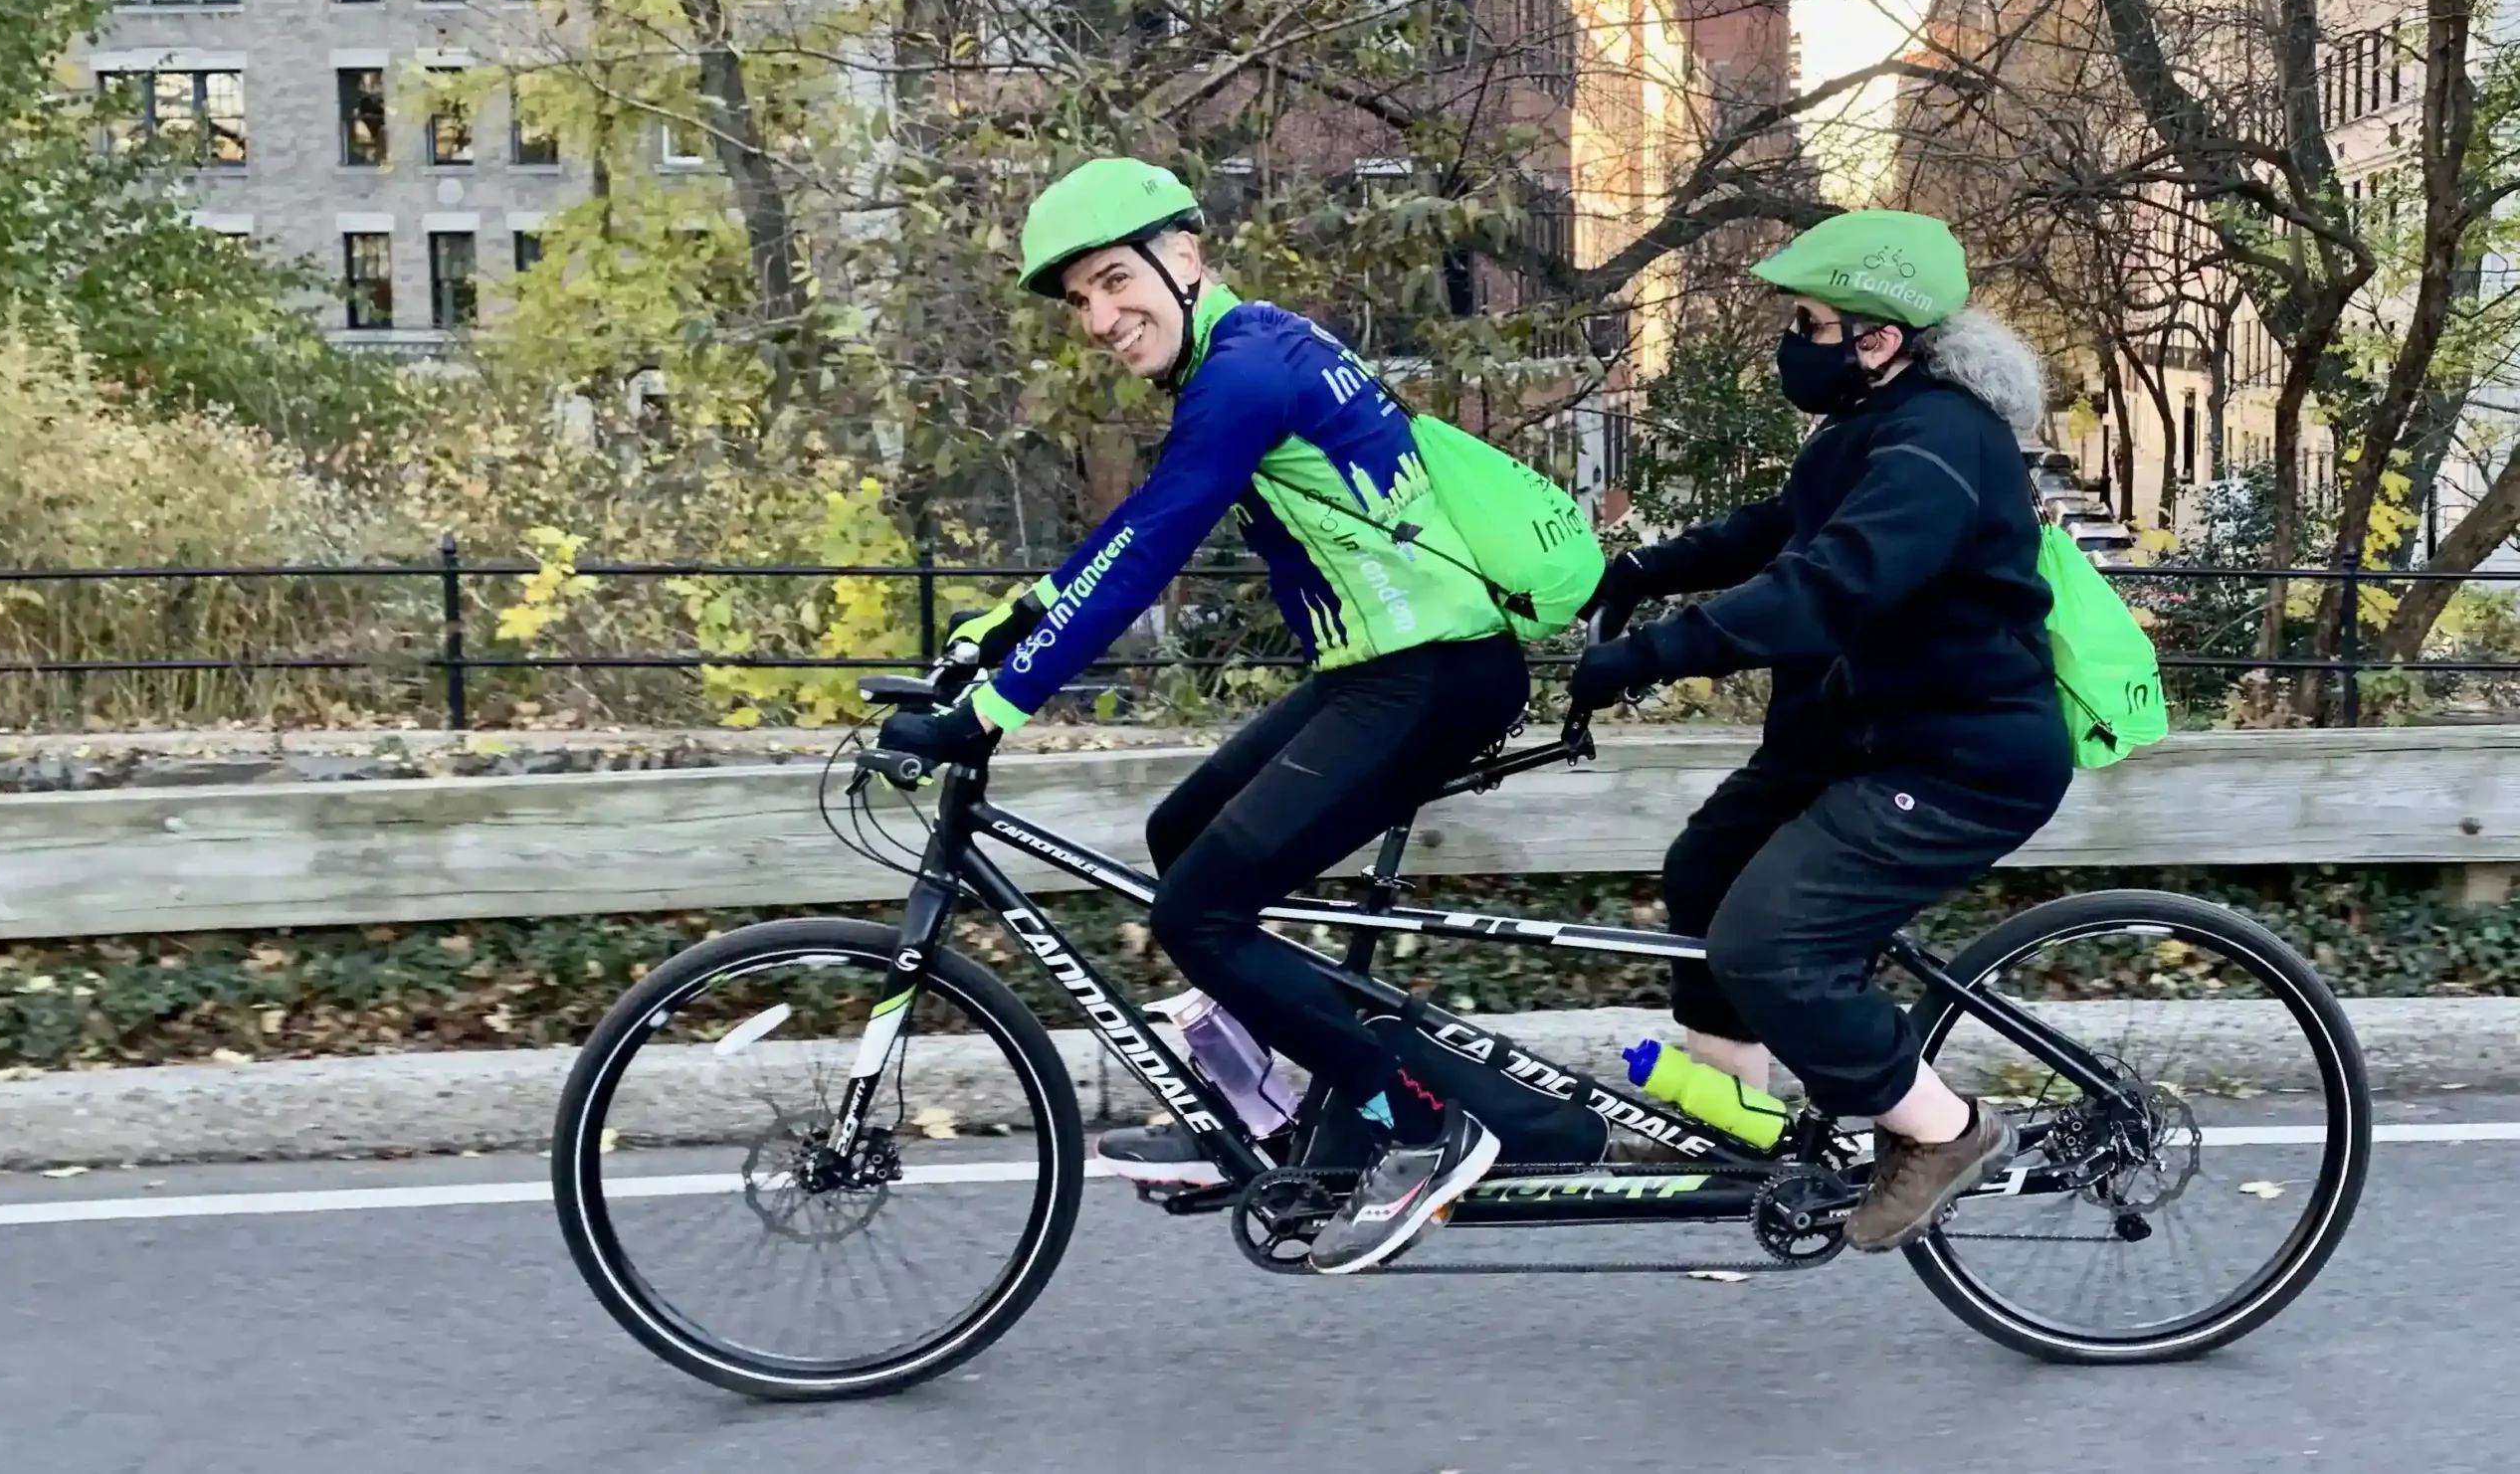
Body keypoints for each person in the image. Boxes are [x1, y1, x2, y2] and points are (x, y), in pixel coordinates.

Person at [875, 155, 1529, 1275]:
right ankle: (1268, 1109)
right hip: (1381, 670)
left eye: (1113, 282)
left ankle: (1422, 1128)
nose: (1098, 319)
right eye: (1079, 300)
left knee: (1198, 914)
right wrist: (1008, 624)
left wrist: (991, 711)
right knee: (1180, 838)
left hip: (1433, 674)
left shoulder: (1245, 369)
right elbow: (1144, 520)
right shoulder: (1243, 352)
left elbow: (1150, 550)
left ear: (1183, 258)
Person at [1571, 209, 2070, 1252]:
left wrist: (1650, 657)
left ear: (1878, 339)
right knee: (1706, 868)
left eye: (1808, 323)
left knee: (1771, 947)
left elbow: (1830, 584)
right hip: (1854, 737)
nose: (1791, 342)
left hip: (1957, 758)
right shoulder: (1871, 423)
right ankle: (1734, 1118)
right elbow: (1785, 528)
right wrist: (1642, 571)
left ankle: (1946, 1132)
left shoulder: (1938, 443)